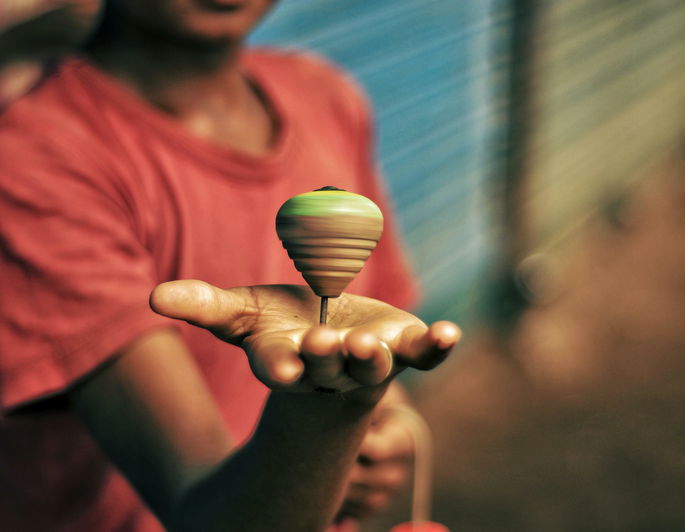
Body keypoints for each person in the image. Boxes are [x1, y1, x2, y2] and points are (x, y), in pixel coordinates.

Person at [0, 1, 461, 530]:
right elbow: (205, 511)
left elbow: (364, 323)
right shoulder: (35, 162)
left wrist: (386, 422)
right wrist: (329, 419)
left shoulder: (326, 97)